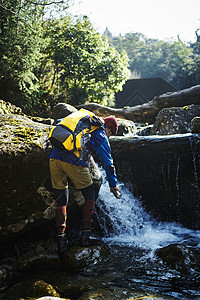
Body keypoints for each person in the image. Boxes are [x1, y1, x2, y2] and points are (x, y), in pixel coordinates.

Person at [49, 112, 120, 255]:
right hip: (73, 162)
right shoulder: (99, 132)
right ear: (109, 129)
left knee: (61, 200)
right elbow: (108, 162)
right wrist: (113, 184)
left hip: (54, 159)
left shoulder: (82, 121)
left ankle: (61, 240)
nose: (108, 136)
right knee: (90, 194)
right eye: (110, 134)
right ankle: (85, 237)